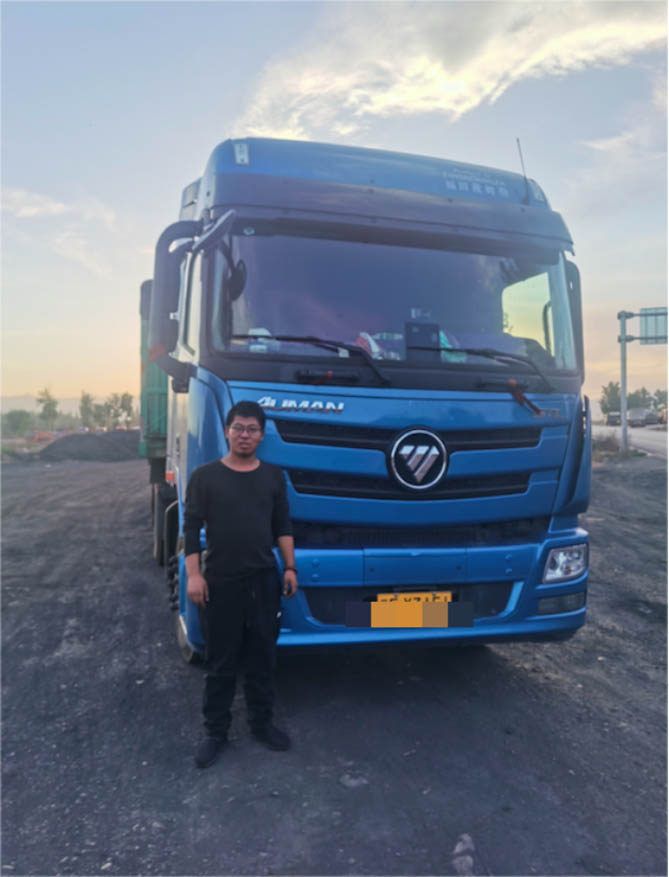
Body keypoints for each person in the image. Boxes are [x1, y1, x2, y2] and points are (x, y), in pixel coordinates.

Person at [183, 400, 298, 769]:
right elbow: (190, 529)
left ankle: (262, 724)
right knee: (220, 662)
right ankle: (215, 732)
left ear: (261, 436)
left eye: (252, 429)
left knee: (262, 658)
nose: (244, 435)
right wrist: (194, 576)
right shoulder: (205, 477)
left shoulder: (273, 477)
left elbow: (282, 526)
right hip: (221, 582)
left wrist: (290, 568)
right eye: (238, 428)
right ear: (227, 432)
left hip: (263, 581)